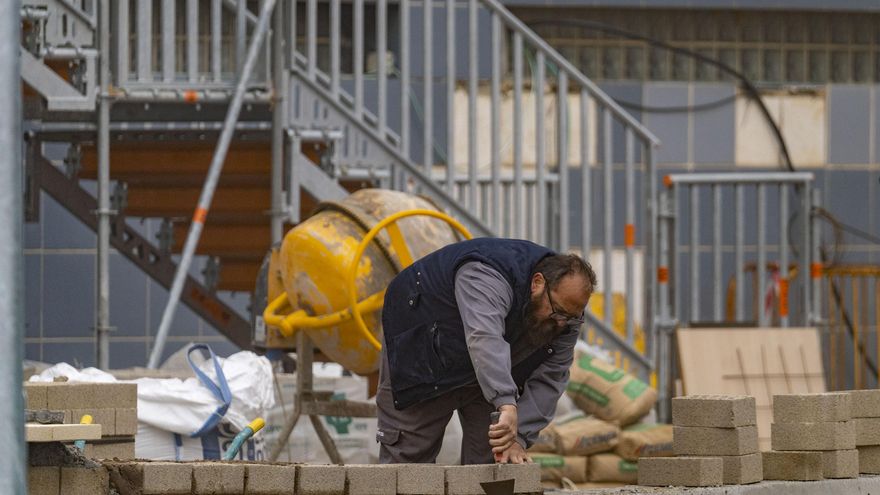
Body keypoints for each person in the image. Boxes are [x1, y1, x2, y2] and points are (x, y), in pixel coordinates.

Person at [376, 237, 596, 464]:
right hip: (425, 354)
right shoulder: (485, 274)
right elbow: (484, 337)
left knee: (496, 457)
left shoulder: (567, 317)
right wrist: (506, 403)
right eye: (558, 312)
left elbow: (551, 378)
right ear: (537, 283)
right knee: (408, 466)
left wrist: (518, 435)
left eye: (570, 318)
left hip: (488, 371)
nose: (561, 323)